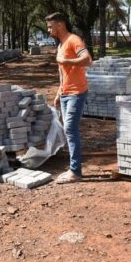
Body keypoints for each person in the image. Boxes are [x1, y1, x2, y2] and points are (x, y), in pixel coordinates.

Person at [46, 12, 93, 184]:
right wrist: (59, 92)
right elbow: (63, 73)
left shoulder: (74, 40)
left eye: (51, 26)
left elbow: (88, 60)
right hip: (66, 93)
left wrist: (67, 61)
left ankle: (75, 172)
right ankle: (74, 169)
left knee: (70, 130)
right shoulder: (60, 44)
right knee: (69, 130)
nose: (49, 30)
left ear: (60, 24)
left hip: (77, 93)